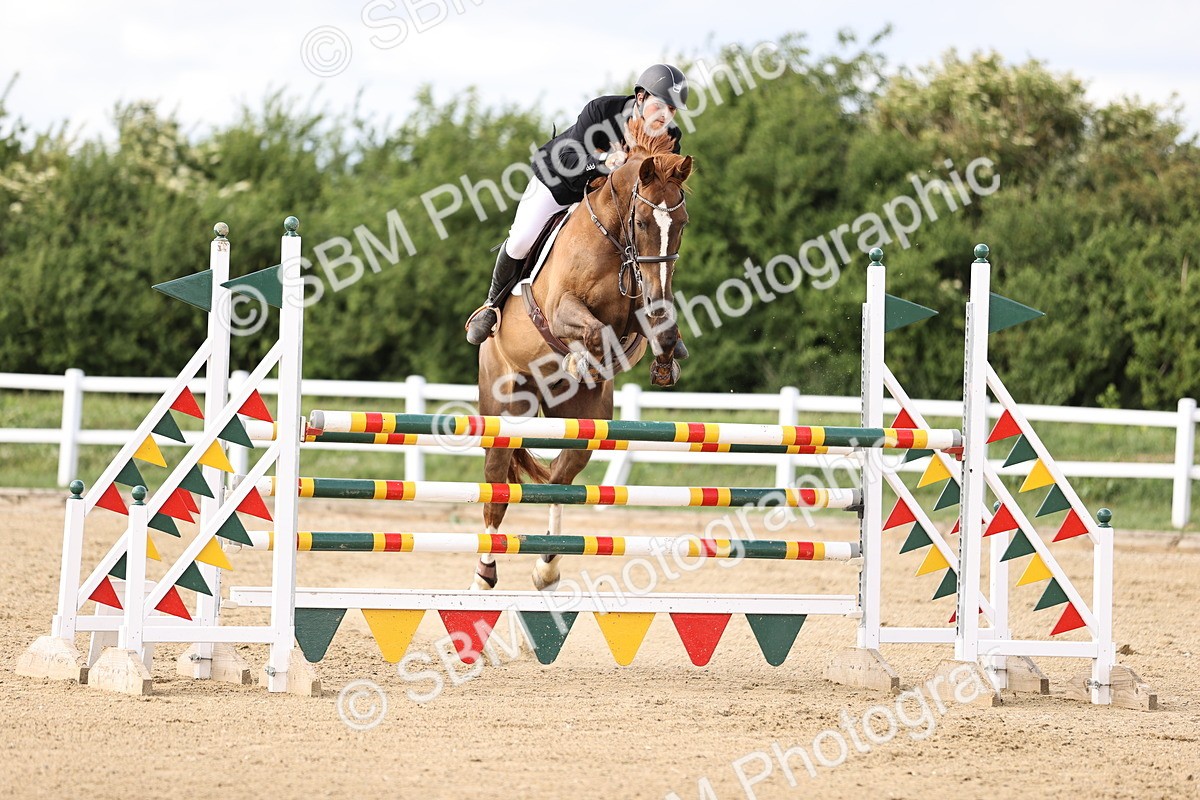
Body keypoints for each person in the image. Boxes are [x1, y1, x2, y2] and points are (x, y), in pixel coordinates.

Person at [465, 64, 689, 345]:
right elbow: (569, 157)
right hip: (559, 185)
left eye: (672, 109)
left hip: (607, 206)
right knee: (521, 239)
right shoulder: (602, 112)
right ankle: (491, 305)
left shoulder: (670, 139)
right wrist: (603, 163)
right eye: (661, 105)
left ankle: (656, 320)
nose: (665, 115)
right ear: (641, 97)